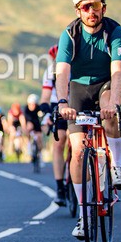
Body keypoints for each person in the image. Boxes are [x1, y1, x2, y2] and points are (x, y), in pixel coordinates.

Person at [55, 0, 121, 240]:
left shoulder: (115, 31)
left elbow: (119, 69)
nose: (92, 11)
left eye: (96, 6)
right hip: (78, 88)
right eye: (86, 6)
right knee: (77, 151)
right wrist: (62, 102)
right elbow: (63, 72)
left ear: (104, 8)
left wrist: (113, 102)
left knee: (111, 111)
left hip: (106, 83)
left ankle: (117, 166)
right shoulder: (69, 34)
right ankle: (83, 215)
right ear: (78, 10)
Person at [41, 44, 69, 205]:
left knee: (76, 141)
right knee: (59, 142)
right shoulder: (50, 72)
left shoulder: (77, 67)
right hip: (57, 105)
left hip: (76, 104)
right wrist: (46, 111)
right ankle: (60, 187)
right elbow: (45, 97)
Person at [20, 94, 43, 167]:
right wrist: (24, 127)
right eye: (30, 104)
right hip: (28, 124)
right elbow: (22, 118)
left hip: (36, 124)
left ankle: (39, 154)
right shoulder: (25, 109)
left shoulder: (39, 108)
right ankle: (29, 148)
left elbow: (41, 117)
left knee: (39, 138)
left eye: (33, 104)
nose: (32, 106)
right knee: (28, 132)